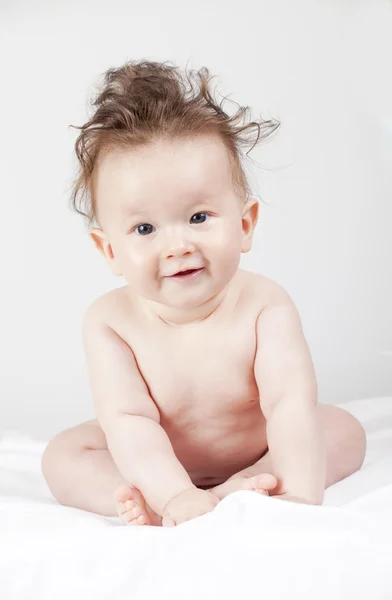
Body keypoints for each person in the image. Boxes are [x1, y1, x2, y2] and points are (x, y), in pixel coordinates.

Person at [41, 59, 367, 527]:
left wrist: (300, 494)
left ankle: (261, 484)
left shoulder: (265, 305)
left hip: (258, 450)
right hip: (152, 464)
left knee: (342, 429)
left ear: (244, 224)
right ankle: (154, 501)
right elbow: (129, 420)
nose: (178, 246)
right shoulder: (109, 321)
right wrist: (173, 493)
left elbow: (288, 405)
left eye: (198, 217)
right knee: (63, 455)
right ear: (109, 250)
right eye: (145, 227)